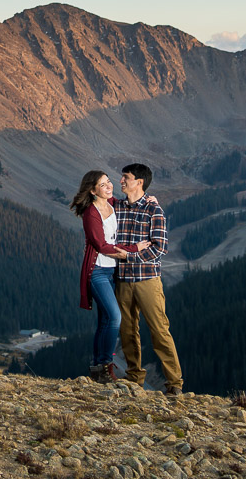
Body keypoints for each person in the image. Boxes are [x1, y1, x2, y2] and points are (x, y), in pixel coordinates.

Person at [70, 170, 149, 383]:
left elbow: (130, 202)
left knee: (105, 320)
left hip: (113, 271)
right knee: (114, 317)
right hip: (97, 272)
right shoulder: (91, 213)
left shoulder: (112, 203)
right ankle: (106, 366)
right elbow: (101, 245)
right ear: (92, 190)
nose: (109, 186)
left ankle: (98, 369)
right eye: (103, 184)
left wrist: (148, 199)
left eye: (109, 182)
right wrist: (133, 249)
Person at [113, 162, 184, 395]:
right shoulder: (117, 207)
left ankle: (174, 384)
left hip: (147, 281)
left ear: (139, 182)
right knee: (127, 330)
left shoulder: (155, 210)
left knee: (159, 330)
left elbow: (160, 248)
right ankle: (134, 378)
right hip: (123, 279)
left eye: (126, 177)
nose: (121, 181)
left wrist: (129, 255)